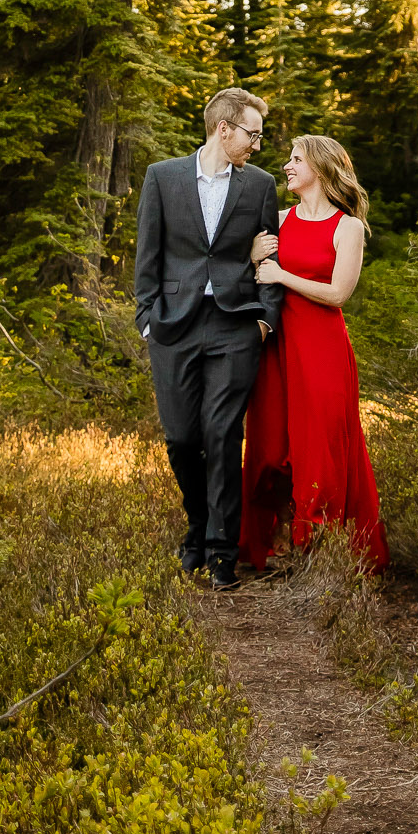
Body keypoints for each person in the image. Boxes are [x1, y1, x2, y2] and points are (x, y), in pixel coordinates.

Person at [133, 89, 283, 590]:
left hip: (235, 323)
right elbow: (147, 253)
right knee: (181, 438)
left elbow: (270, 261)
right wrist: (147, 317)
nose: (258, 145)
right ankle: (197, 524)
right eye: (253, 134)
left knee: (222, 436)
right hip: (173, 323)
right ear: (224, 129)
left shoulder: (260, 186)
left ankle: (222, 550)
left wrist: (265, 319)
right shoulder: (163, 177)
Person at [239, 132, 388, 573]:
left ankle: (320, 551)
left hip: (321, 348)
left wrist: (282, 276)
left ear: (320, 169)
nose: (287, 166)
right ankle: (280, 536)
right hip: (277, 348)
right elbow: (252, 277)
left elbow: (338, 293)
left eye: (296, 159)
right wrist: (251, 257)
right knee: (269, 447)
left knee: (319, 447)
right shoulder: (279, 219)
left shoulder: (348, 227)